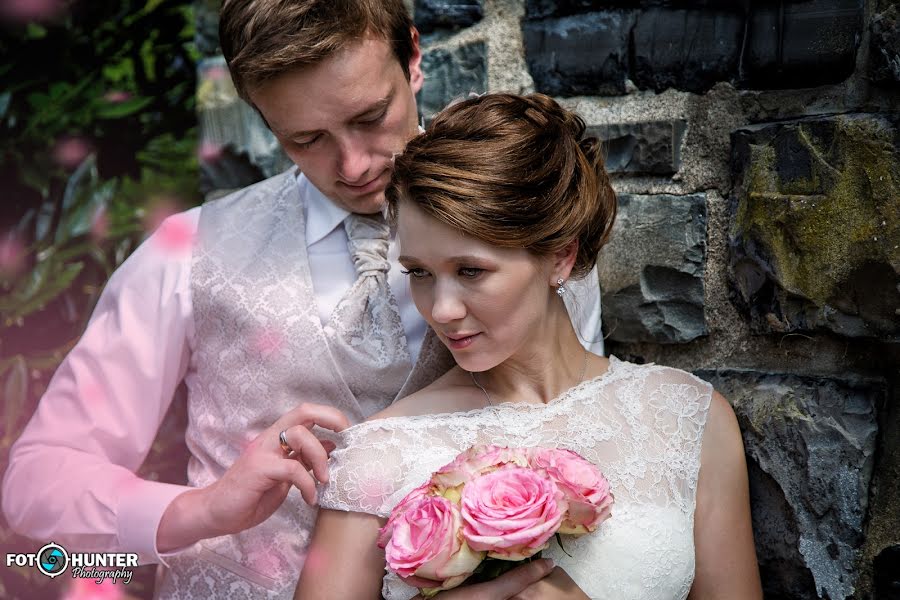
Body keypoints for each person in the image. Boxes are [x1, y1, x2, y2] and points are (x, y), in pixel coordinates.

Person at [1, 2, 603, 598]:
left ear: (413, 58)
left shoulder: (534, 232)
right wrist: (202, 510)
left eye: (371, 116)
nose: (354, 164)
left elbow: (586, 450)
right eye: (306, 139)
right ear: (265, 121)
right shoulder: (182, 254)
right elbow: (36, 479)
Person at [293, 93, 763, 600]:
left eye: (470, 270)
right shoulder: (378, 452)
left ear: (560, 257)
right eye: (420, 273)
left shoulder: (690, 418)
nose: (441, 308)